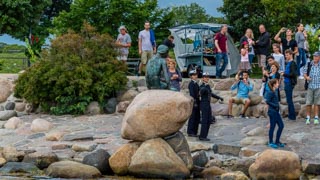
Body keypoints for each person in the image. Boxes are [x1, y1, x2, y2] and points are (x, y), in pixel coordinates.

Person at [199, 72, 223, 141]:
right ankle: (202, 136)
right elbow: (201, 91)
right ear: (203, 78)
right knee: (204, 120)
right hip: (204, 104)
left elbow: (211, 93)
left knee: (209, 120)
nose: (207, 78)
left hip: (208, 104)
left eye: (207, 77)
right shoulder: (202, 86)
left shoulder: (208, 86)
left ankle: (205, 135)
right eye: (205, 77)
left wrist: (218, 97)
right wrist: (203, 88)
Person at [265, 79, 285, 149]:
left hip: (275, 112)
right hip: (272, 112)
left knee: (281, 126)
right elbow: (267, 101)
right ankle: (271, 142)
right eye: (277, 83)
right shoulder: (271, 92)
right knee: (273, 127)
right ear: (274, 84)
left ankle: (277, 141)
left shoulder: (275, 91)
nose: (278, 84)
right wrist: (275, 105)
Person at [303, 51, 320, 125]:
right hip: (310, 86)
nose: (315, 57)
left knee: (317, 103)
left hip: (318, 86)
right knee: (308, 103)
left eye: (316, 56)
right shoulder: (309, 63)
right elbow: (304, 72)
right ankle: (308, 118)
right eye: (314, 56)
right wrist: (307, 77)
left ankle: (316, 117)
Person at [281, 49, 297, 120]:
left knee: (289, 100)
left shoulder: (292, 63)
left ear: (291, 55)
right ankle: (291, 115)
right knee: (288, 99)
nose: (286, 56)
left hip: (289, 83)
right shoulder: (288, 63)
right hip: (286, 82)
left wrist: (284, 74)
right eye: (285, 55)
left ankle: (292, 116)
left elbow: (293, 74)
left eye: (287, 55)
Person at [187, 70, 200, 137]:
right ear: (191, 76)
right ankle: (190, 131)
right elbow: (192, 94)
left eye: (196, 75)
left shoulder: (196, 83)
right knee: (192, 117)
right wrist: (194, 101)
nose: (195, 76)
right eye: (194, 75)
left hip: (197, 101)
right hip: (193, 102)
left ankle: (195, 131)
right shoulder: (191, 84)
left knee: (197, 117)